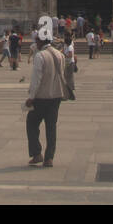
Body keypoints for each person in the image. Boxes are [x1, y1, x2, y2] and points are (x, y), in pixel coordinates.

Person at [25, 30, 67, 167]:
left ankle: (37, 154)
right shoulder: (60, 55)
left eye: (37, 40)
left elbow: (36, 78)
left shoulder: (40, 56)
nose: (35, 43)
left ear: (41, 41)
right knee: (51, 126)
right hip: (56, 95)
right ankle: (49, 158)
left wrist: (31, 97)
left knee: (31, 123)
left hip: (42, 96)